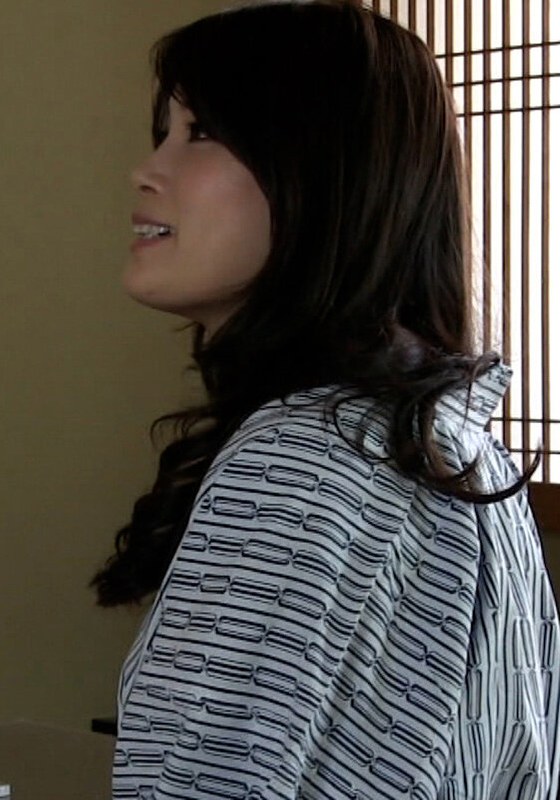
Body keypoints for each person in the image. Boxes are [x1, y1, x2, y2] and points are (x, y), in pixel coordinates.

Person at [91, 1, 560, 797]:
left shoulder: (300, 453)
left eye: (201, 132)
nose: (146, 170)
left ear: (326, 172)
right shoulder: (450, 436)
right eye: (161, 132)